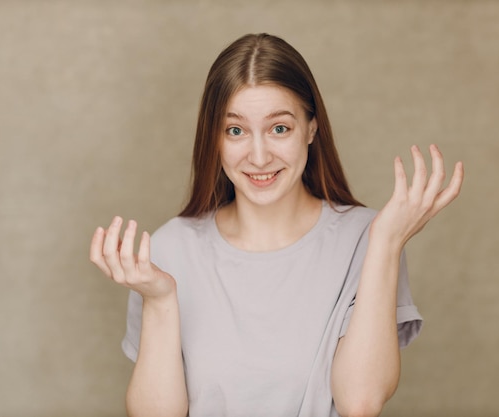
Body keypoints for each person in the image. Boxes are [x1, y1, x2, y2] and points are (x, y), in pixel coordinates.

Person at [89, 33, 463, 417]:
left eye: (279, 128)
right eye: (235, 130)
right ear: (214, 139)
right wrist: (160, 301)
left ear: (312, 128)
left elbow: (360, 402)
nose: (259, 156)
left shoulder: (367, 239)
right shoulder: (170, 248)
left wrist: (385, 243)